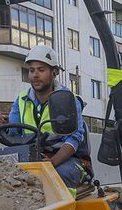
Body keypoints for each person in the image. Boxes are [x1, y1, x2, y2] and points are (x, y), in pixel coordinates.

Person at [8, 45, 91, 189]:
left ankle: (64, 204)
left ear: (54, 73)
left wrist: (51, 163)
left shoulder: (68, 100)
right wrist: (3, 125)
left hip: (69, 160)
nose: (35, 75)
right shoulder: (21, 100)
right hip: (34, 158)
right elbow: (14, 135)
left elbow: (73, 139)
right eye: (31, 70)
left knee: (56, 176)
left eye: (41, 70)